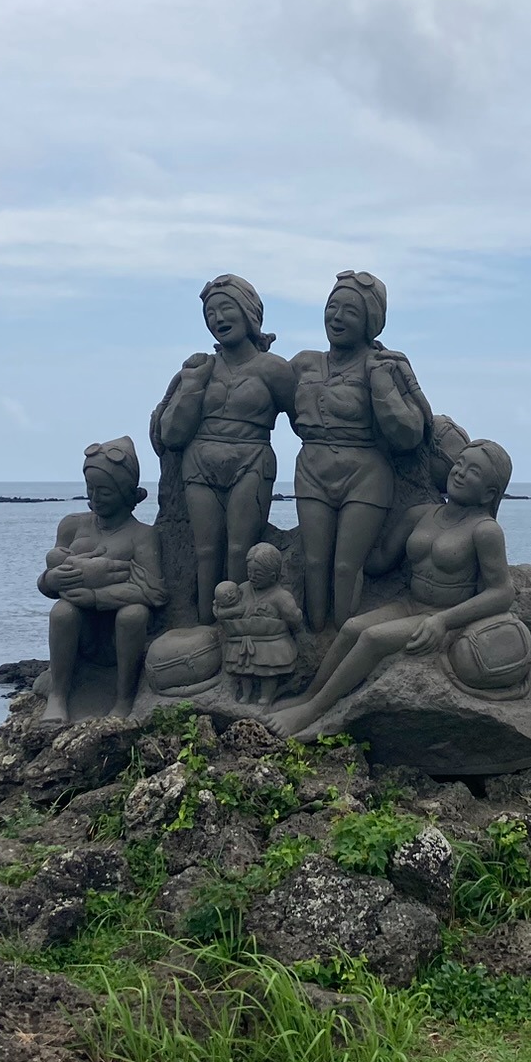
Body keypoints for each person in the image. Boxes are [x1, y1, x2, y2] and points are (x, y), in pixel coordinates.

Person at [270, 438, 515, 739]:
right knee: (351, 627)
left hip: (444, 617)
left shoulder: (485, 531)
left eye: (473, 471)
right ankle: (309, 695)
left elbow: (502, 592)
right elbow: (380, 560)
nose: (460, 472)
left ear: (490, 492)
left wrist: (443, 622)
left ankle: (314, 710)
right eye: (460, 463)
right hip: (410, 604)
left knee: (373, 637)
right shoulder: (423, 514)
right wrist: (344, 544)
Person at [288, 271, 432, 631]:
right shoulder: (304, 363)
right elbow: (271, 400)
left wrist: (380, 381)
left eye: (349, 312)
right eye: (331, 307)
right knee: (315, 560)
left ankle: (343, 640)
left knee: (346, 565)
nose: (336, 317)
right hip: (311, 467)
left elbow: (411, 433)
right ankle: (315, 638)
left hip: (365, 473)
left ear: (370, 321)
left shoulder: (386, 365)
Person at [150, 275, 296, 625]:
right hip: (199, 463)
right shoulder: (201, 368)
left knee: (239, 551)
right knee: (205, 552)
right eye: (210, 312)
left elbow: (306, 423)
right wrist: (191, 385)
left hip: (251, 460)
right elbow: (171, 434)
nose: (218, 318)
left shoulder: (274, 369)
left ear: (249, 313)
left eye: (226, 308)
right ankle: (205, 627)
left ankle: (239, 625)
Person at [38, 438, 166, 720]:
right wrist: (52, 580)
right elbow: (49, 583)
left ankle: (124, 698)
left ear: (125, 492)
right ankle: (58, 695)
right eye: (91, 489)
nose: (95, 497)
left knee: (134, 614)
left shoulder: (142, 535)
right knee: (62, 611)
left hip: (119, 637)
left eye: (105, 491)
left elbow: (154, 591)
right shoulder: (73, 525)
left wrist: (97, 596)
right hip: (83, 633)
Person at [215, 542, 304, 705]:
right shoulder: (242, 589)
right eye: (249, 571)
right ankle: (246, 693)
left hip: (270, 642)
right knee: (244, 671)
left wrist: (292, 615)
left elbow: (294, 618)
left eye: (258, 573)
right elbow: (229, 608)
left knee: (268, 671)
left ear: (273, 576)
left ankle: (266, 696)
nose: (252, 576)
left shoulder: (280, 596)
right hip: (244, 639)